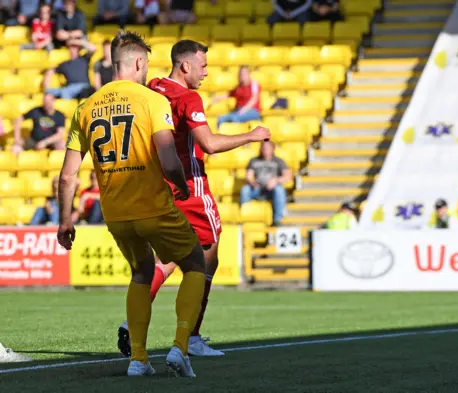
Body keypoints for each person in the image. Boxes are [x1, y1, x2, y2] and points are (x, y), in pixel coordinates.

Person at [57, 31, 207, 378]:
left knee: (141, 272)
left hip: (116, 213)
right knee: (196, 263)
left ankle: (138, 359)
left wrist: (65, 221)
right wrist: (183, 185)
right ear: (139, 62)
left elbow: (67, 177)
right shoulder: (152, 101)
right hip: (153, 205)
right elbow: (169, 159)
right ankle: (180, 347)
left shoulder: (85, 106)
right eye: (146, 64)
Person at [117, 39, 271, 358]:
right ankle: (193, 336)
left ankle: (133, 324)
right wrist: (252, 135)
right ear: (185, 66)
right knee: (208, 255)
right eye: (202, 66)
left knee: (168, 259)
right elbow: (210, 144)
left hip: (156, 187)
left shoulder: (155, 86)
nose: (206, 73)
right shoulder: (189, 98)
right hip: (189, 185)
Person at [240, 141, 292, 226]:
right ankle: (245, 216)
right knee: (245, 189)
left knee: (279, 190)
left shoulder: (279, 161)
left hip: (271, 190)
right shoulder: (254, 161)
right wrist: (252, 182)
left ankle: (277, 219)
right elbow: (249, 175)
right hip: (257, 189)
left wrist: (276, 180)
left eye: (267, 148)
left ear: (272, 149)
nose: (265, 150)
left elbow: (288, 176)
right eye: (263, 148)